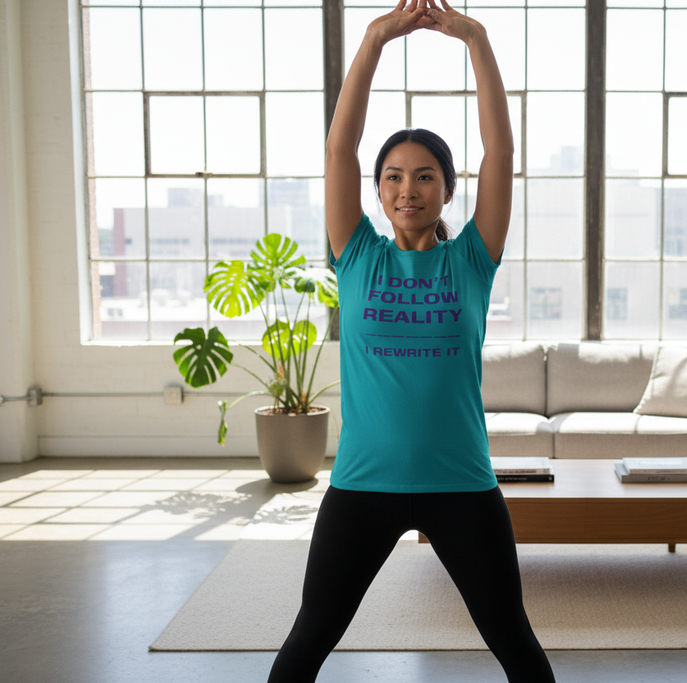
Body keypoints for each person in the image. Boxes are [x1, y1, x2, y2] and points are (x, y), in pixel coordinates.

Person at [267, 0, 556, 681]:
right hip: (363, 485)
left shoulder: (473, 259)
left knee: (513, 639)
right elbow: (339, 147)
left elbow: (501, 151)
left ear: (449, 190)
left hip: (461, 484)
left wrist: (476, 40)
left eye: (424, 175)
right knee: (309, 638)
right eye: (393, 177)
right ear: (377, 191)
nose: (407, 188)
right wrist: (373, 38)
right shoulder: (357, 254)